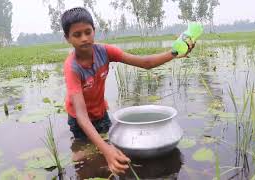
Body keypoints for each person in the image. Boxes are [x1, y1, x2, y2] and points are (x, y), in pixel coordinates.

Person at [61, 7, 194, 175]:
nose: (84, 38)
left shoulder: (104, 51)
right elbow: (81, 116)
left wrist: (174, 53)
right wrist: (107, 151)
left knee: (107, 151)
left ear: (94, 30)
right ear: (67, 38)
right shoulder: (72, 67)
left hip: (100, 113)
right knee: (85, 158)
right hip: (79, 120)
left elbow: (146, 63)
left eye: (88, 32)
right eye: (77, 35)